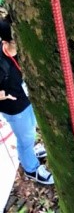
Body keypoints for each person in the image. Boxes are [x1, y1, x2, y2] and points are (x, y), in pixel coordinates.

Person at [0, 19, 53, 185]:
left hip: (27, 98)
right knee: (26, 136)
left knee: (31, 128)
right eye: (16, 41)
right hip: (14, 107)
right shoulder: (1, 64)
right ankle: (31, 168)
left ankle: (28, 152)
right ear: (7, 41)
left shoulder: (23, 52)